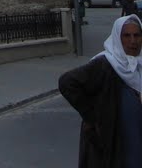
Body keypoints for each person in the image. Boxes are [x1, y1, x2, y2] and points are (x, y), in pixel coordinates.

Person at [59, 13, 142, 167]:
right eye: (126, 35)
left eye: (137, 35)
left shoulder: (139, 65)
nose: (132, 41)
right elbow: (67, 82)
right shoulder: (105, 64)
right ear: (118, 38)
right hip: (112, 146)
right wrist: (92, 117)